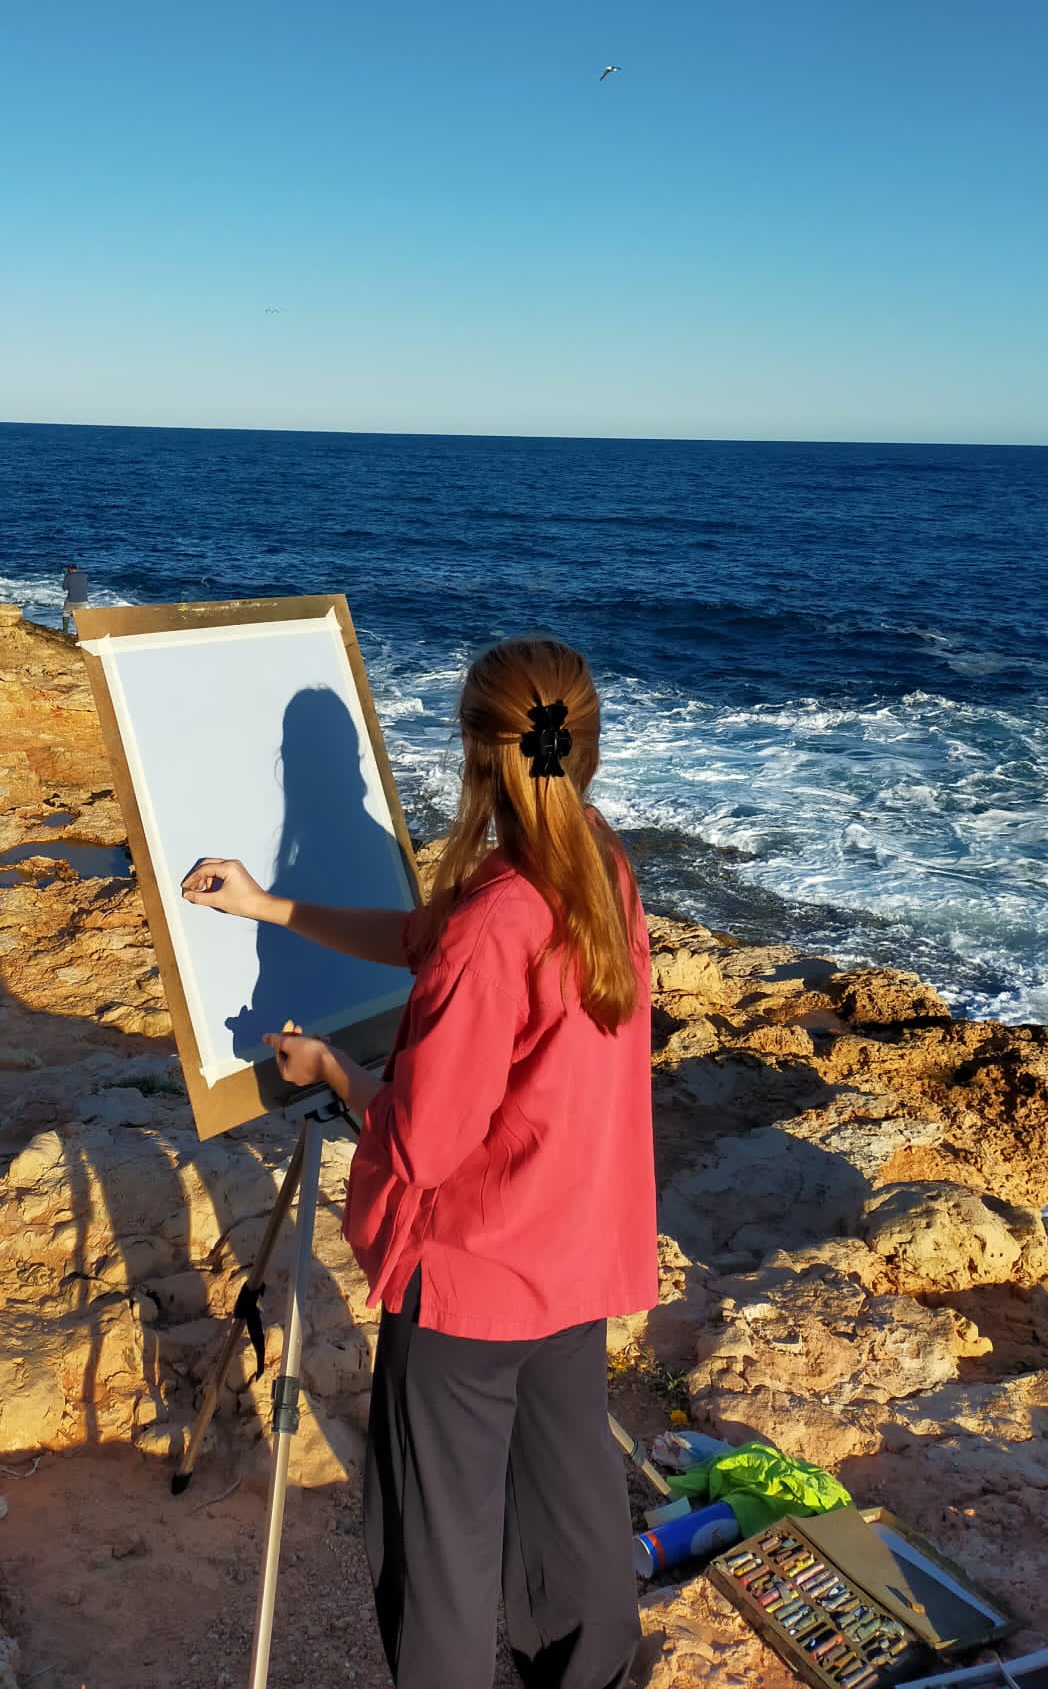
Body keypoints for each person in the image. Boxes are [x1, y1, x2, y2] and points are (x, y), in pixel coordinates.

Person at [181, 637, 657, 1689]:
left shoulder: (498, 915)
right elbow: (418, 935)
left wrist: (341, 1073)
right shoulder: (595, 861)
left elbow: (427, 1141)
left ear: (476, 759)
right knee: (574, 1516)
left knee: (438, 1550)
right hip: (575, 1261)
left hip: (476, 1284)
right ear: (579, 749)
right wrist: (266, 906)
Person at [61, 562, 88, 637]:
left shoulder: (68, 576)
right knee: (80, 616)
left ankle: (65, 632)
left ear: (69, 569)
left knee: (66, 612)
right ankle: (80, 634)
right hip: (83, 600)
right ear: (76, 569)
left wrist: (66, 578)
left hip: (71, 600)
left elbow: (64, 588)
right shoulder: (84, 575)